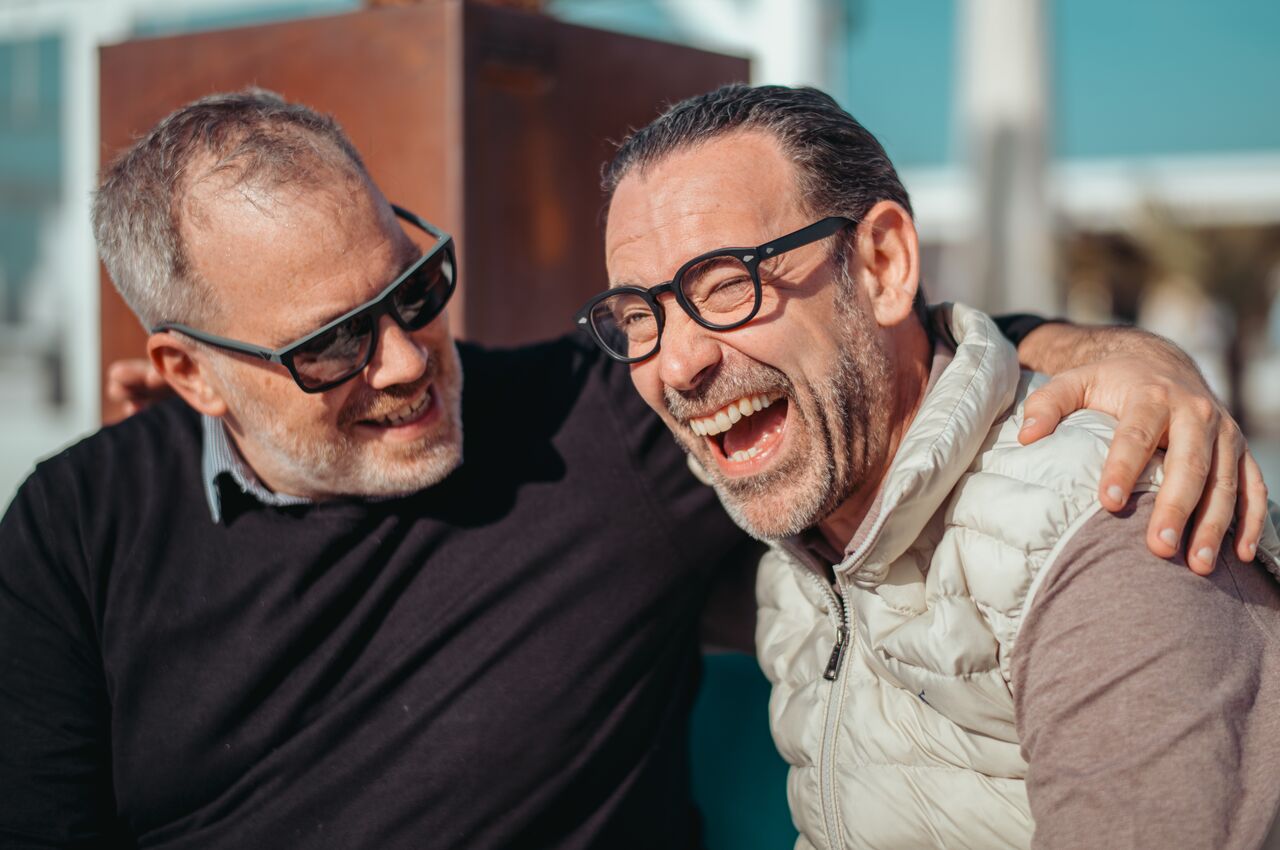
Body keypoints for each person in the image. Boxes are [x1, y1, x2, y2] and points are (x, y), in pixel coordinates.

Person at [0, 89, 1261, 850]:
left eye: (414, 288)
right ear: (187, 373)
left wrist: (1129, 357)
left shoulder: (591, 423)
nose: (403, 361)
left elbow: (872, 358)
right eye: (329, 345)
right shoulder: (73, 527)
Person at [585, 82, 1280, 849]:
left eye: (725, 286)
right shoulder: (798, 551)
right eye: (640, 318)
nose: (677, 364)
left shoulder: (1113, 534)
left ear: (883, 266)